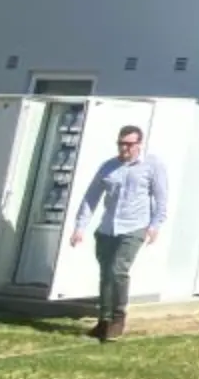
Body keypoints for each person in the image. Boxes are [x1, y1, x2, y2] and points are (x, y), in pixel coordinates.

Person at [68, 123, 169, 342]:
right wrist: (80, 227)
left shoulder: (152, 166)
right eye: (121, 143)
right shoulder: (109, 167)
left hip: (134, 227)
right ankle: (103, 321)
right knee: (105, 274)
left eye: (129, 144)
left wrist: (155, 226)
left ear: (139, 145)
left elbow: (161, 199)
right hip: (108, 228)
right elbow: (91, 197)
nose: (124, 148)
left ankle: (117, 319)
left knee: (118, 270)